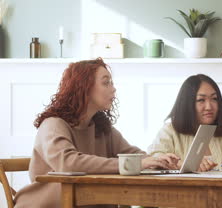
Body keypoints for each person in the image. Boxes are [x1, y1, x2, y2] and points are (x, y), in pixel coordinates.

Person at [14, 58, 178, 208]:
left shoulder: (101, 127)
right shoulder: (53, 124)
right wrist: (134, 165)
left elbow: (133, 154)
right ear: (84, 87)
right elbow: (69, 163)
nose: (113, 89)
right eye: (106, 83)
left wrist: (157, 160)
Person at [148, 74, 222, 172]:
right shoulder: (169, 132)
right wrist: (182, 164)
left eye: (214, 99)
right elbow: (154, 159)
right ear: (187, 104)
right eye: (201, 100)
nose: (209, 107)